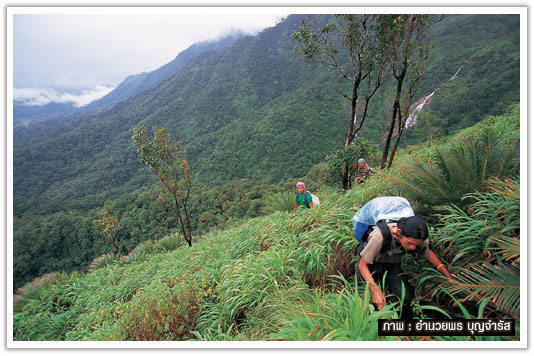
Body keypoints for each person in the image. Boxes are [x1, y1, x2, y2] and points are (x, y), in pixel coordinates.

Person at [355, 215, 454, 319]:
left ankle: (396, 321)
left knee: (405, 298)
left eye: (416, 245)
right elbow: (362, 265)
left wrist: (447, 275)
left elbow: (428, 253)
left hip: (391, 263)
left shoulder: (417, 238)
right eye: (409, 243)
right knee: (367, 300)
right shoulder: (378, 237)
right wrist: (376, 291)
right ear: (398, 232)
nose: (412, 248)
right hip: (368, 264)